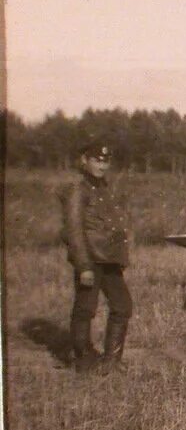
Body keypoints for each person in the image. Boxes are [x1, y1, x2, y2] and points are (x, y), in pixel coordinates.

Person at [60, 140, 132, 371]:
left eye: (105, 161)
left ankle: (112, 361)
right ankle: (82, 359)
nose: (101, 165)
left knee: (122, 306)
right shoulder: (77, 190)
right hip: (91, 260)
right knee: (85, 308)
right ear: (85, 160)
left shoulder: (103, 189)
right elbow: (74, 231)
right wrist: (83, 266)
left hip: (109, 260)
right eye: (96, 160)